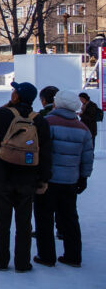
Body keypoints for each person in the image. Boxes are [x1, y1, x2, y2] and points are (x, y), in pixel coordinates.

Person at [0, 81, 51, 272]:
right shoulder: (39, 120)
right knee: (24, 222)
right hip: (27, 177)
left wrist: (5, 107)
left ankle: (2, 261)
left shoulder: (3, 114)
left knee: (2, 222)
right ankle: (22, 262)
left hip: (2, 175)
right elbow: (45, 152)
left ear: (16, 96)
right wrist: (43, 179)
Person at [33, 90, 94, 268]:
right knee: (70, 219)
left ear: (57, 103)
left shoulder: (48, 123)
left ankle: (46, 256)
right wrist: (83, 178)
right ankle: (73, 256)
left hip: (48, 180)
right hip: (70, 181)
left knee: (44, 218)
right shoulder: (83, 128)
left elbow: (41, 152)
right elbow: (87, 157)